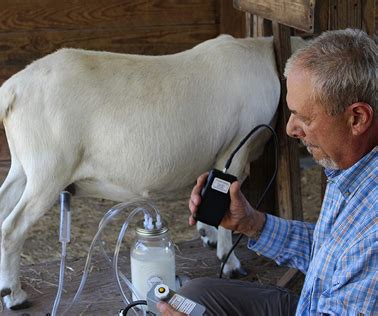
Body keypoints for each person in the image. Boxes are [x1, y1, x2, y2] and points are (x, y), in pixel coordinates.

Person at [157, 28, 377, 315]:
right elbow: (331, 254)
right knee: (191, 297)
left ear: (357, 118)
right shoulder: (351, 164)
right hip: (315, 303)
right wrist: (251, 223)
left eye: (305, 118)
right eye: (292, 112)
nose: (289, 129)